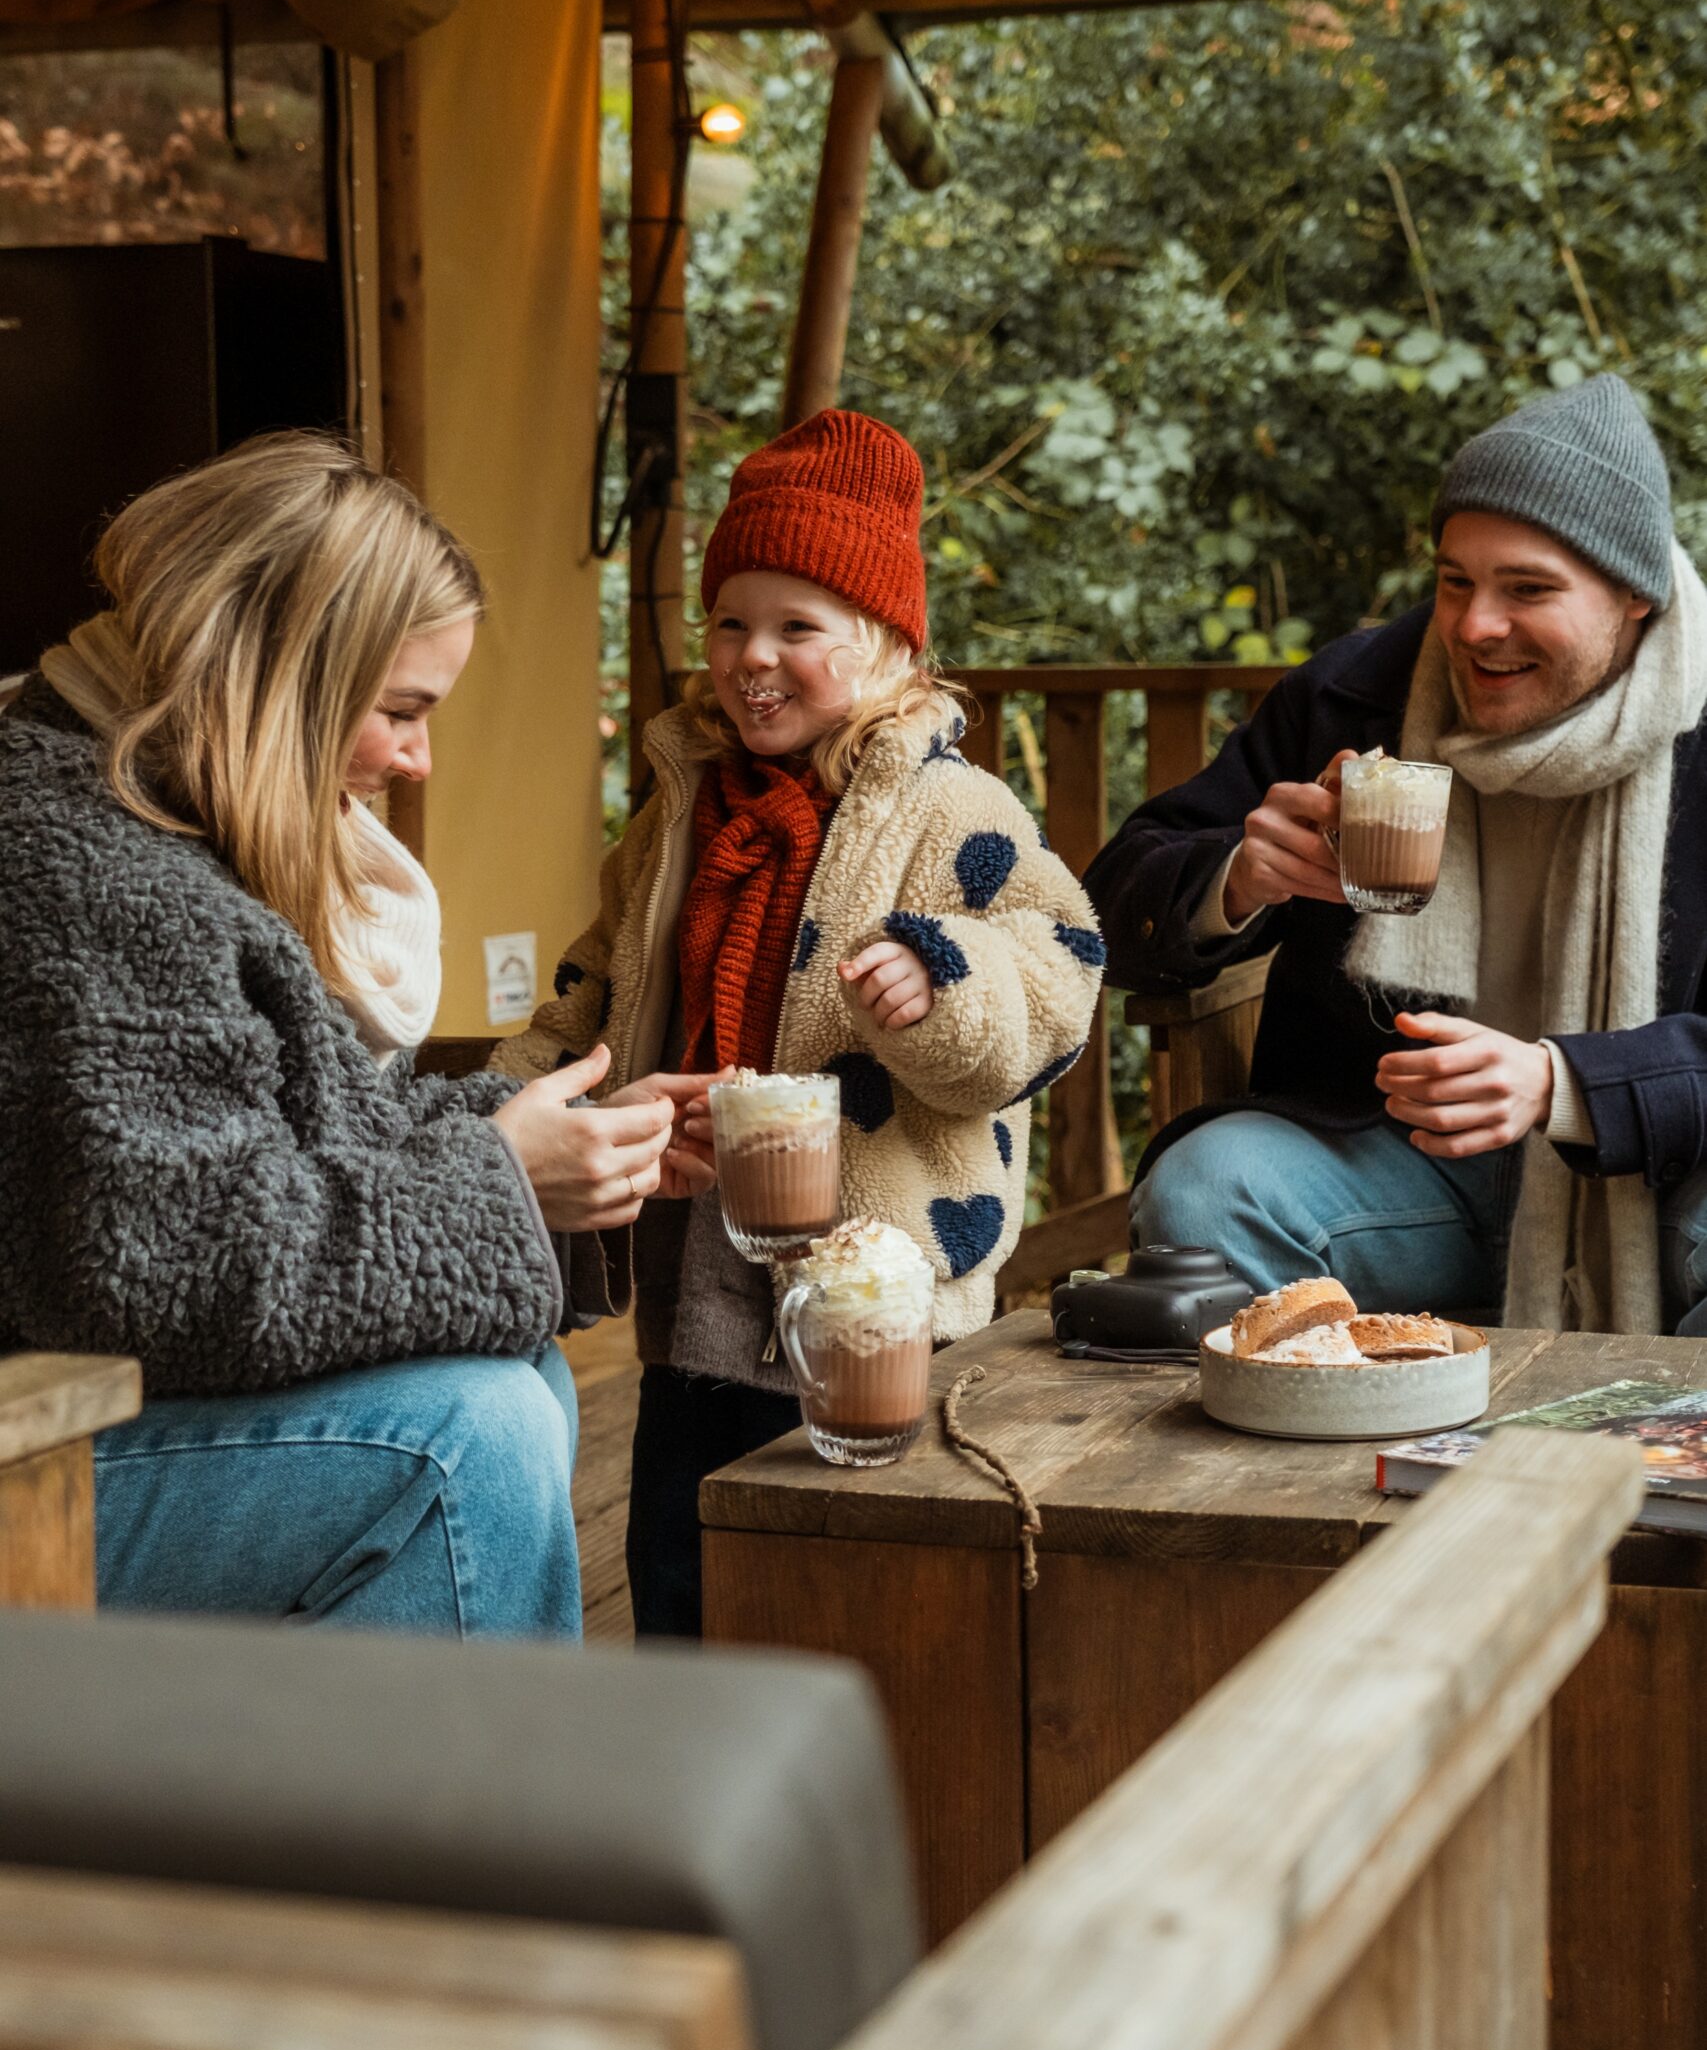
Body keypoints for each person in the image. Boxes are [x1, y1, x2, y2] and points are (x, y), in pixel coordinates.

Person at [0, 431, 714, 1634]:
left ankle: (338, 1805)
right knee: (465, 1440)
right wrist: (501, 1178)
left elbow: (275, 1137)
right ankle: (459, 1813)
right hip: (33, 1441)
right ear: (280, 671)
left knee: (516, 1380)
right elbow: (154, 1265)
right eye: (398, 709)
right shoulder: (82, 868)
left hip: (63, 1407)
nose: (417, 756)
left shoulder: (138, 815)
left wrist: (566, 1138)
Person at [499, 409, 1106, 1635]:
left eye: (798, 628)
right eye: (731, 621)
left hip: (875, 1277)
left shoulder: (951, 808)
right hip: (699, 1280)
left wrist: (946, 985)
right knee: (681, 1557)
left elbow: (1057, 973)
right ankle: (683, 1788)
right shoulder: (682, 812)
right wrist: (507, 1108)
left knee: (863, 1575)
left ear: (886, 647)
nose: (753, 656)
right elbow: (600, 991)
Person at [1088, 374, 1707, 1337]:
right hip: (1402, 1162)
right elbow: (1109, 904)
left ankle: (1657, 1482)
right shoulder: (1358, 694)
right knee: (1209, 1191)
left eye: (1527, 589)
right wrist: (1237, 880)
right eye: (1454, 580)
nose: (1473, 627)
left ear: (1634, 596)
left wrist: (1572, 1085)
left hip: (1658, 1169)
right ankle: (1316, 1478)